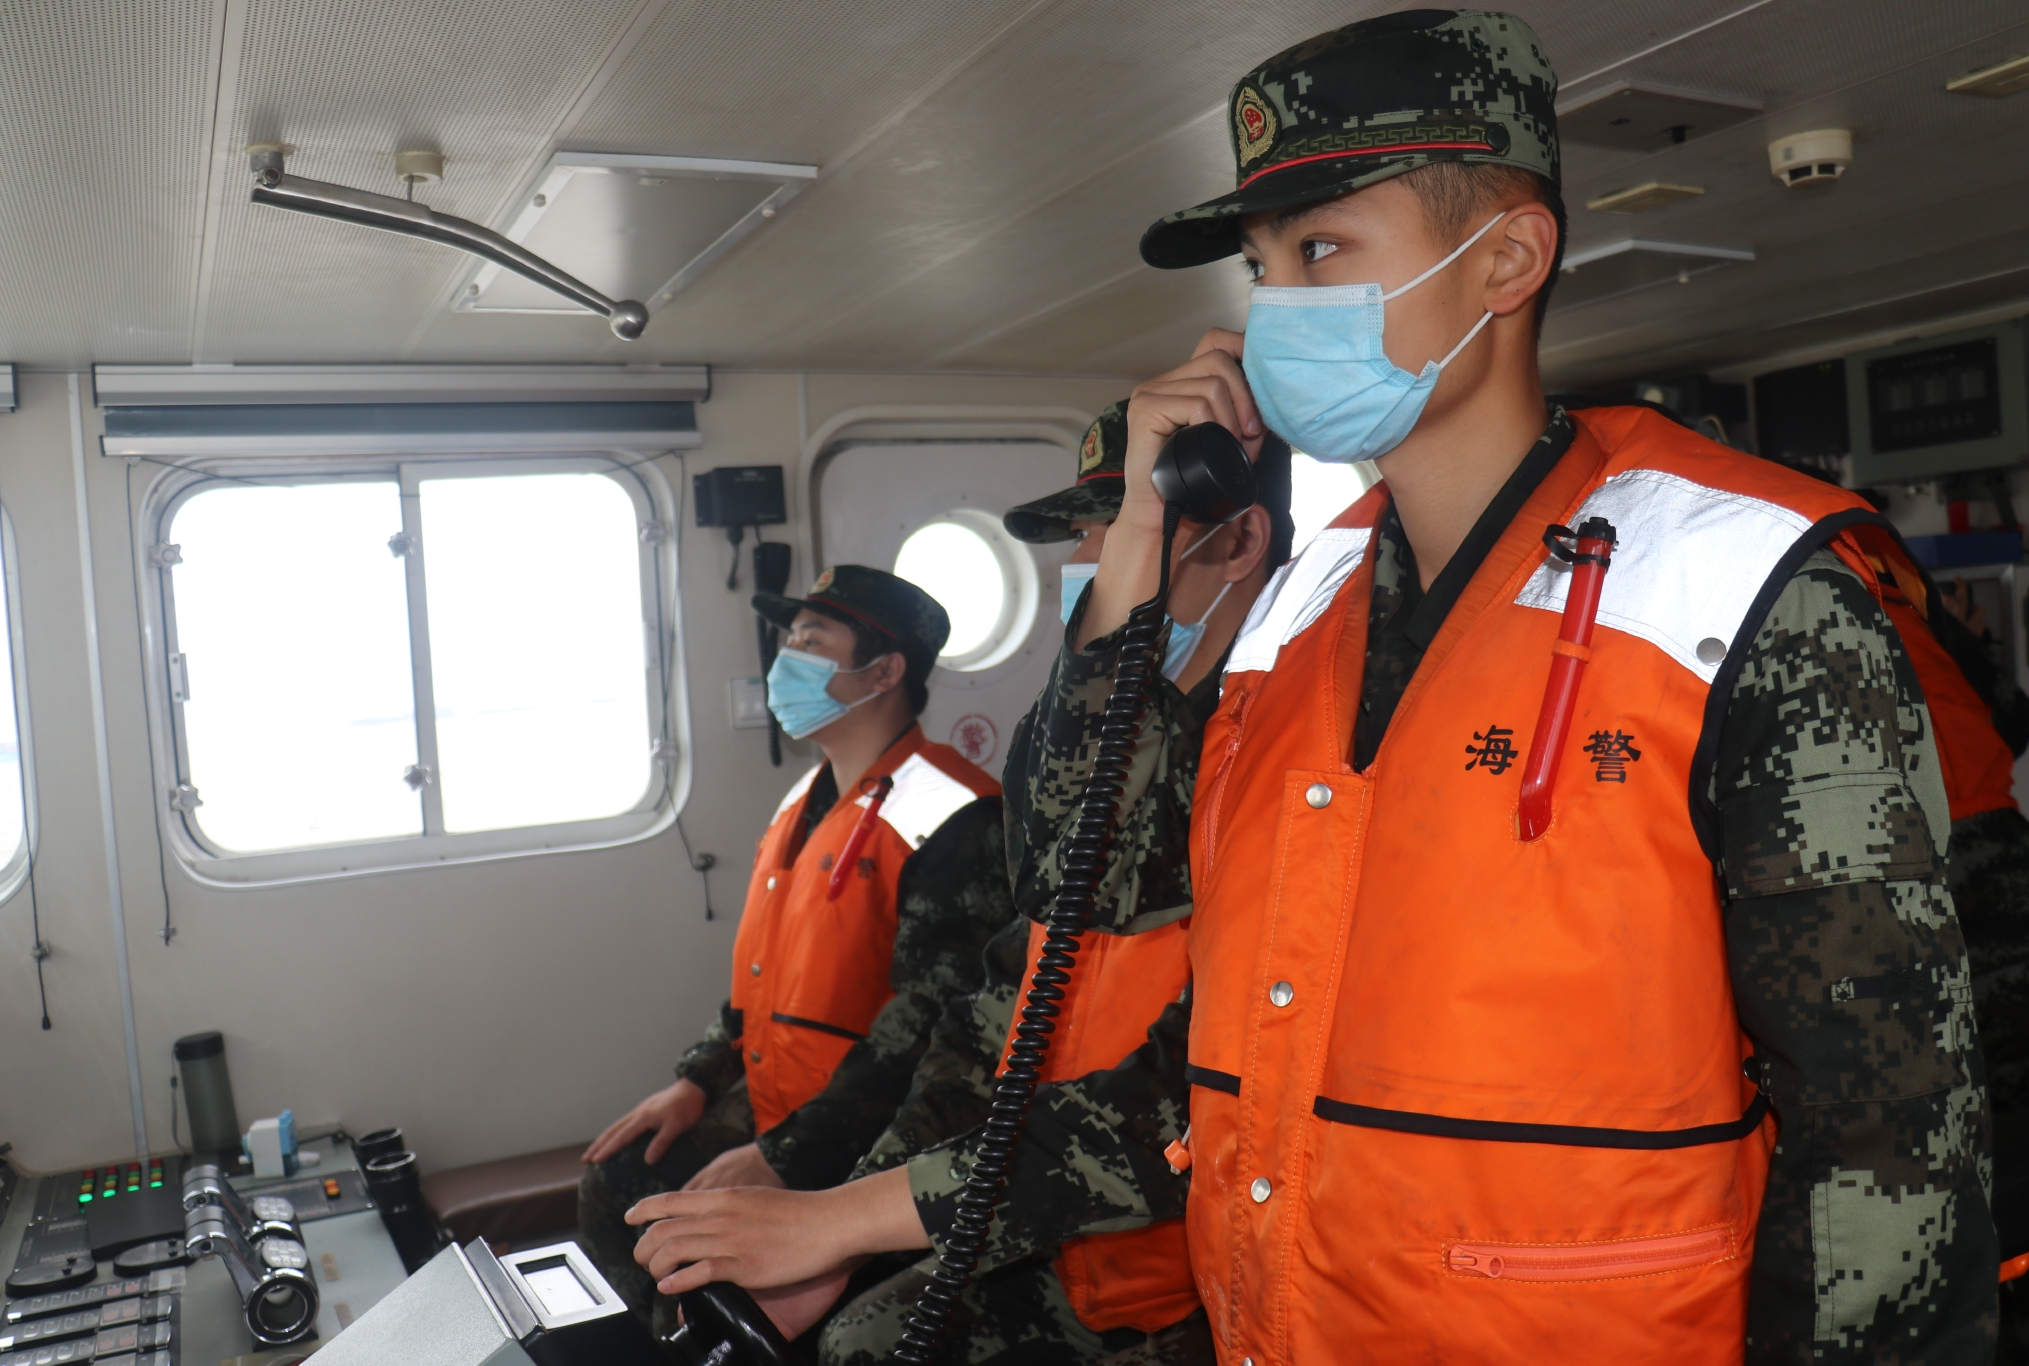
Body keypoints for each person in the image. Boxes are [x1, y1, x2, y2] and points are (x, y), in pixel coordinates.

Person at [619, 12, 1997, 1363]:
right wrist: (1139, 547)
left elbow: (1886, 1139)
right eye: (1260, 267)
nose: (1272, 307)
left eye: (1320, 249)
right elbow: (1107, 920)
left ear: (1506, 258)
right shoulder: (1300, 616)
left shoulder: (1741, 588)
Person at [808, 401, 1292, 1364]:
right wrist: (849, 1213)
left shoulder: (1285, 758)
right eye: (1086, 534)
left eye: (1122, 523)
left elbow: (1194, 1092)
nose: (1091, 559)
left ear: (1238, 540)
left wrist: (860, 1221)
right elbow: (1007, 1000)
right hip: (1072, 1236)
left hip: (1215, 1277)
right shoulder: (1103, 744)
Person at [576, 565, 1016, 1335]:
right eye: (789, 641)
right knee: (617, 1179)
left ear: (884, 673)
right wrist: (696, 1080)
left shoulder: (957, 816)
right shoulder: (803, 801)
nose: (787, 660)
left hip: (865, 1130)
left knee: (689, 1254)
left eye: (812, 642)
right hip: (775, 1096)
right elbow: (763, 980)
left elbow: (932, 1025)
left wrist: (786, 1155)